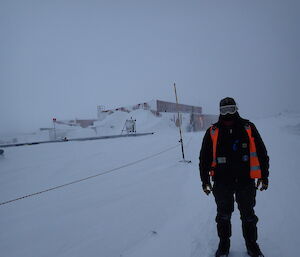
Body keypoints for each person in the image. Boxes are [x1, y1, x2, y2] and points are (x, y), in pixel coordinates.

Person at [199, 97, 269, 257]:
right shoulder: (213, 132)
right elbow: (204, 159)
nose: (228, 113)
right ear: (220, 112)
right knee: (223, 216)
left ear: (236, 109)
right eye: (224, 110)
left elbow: (262, 153)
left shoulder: (248, 127)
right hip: (222, 182)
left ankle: (252, 245)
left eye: (231, 109)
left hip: (245, 181)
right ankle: (224, 245)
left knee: (248, 215)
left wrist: (264, 175)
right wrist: (205, 181)